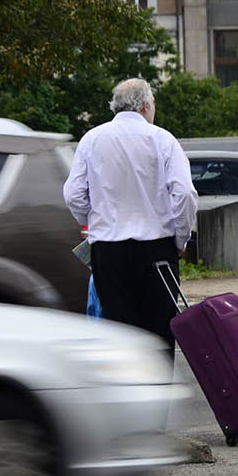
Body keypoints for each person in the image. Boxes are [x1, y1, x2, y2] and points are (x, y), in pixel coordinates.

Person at [63, 78, 198, 360]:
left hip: (108, 253)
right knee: (159, 334)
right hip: (157, 249)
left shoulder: (91, 139)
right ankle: (157, 399)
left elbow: (74, 195)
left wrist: (96, 220)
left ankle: (129, 399)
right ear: (146, 105)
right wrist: (180, 238)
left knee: (119, 334)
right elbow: (184, 194)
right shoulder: (162, 139)